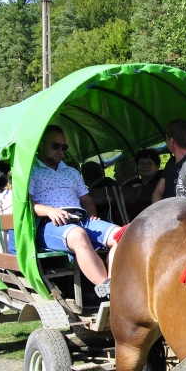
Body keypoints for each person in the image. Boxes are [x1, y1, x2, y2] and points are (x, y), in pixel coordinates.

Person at [30, 125, 120, 297]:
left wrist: (92, 214)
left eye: (64, 147)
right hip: (50, 223)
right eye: (55, 146)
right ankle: (110, 293)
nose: (60, 151)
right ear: (41, 144)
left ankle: (111, 285)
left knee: (121, 234)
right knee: (78, 235)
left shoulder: (71, 172)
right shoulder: (31, 171)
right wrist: (50, 211)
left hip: (80, 219)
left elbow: (86, 199)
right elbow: (27, 204)